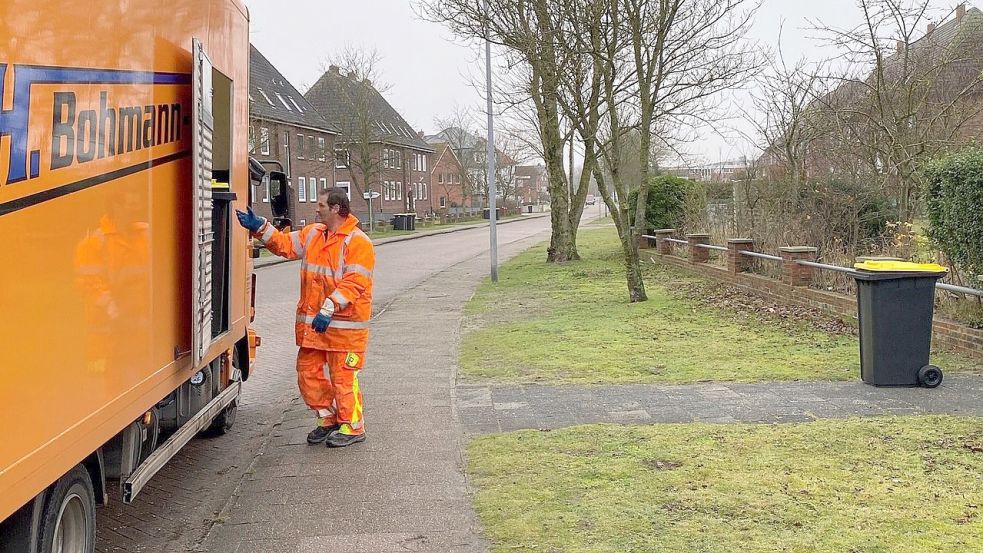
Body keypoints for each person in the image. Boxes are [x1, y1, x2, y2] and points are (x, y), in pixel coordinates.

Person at [236, 188, 374, 448]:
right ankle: (328, 419)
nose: (316, 208)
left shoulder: (358, 242)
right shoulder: (314, 234)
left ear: (335, 208)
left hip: (344, 330)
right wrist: (260, 228)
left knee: (343, 378)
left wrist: (329, 307)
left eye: (321, 204)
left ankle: (353, 426)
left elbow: (356, 283)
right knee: (308, 374)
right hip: (317, 328)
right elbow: (284, 244)